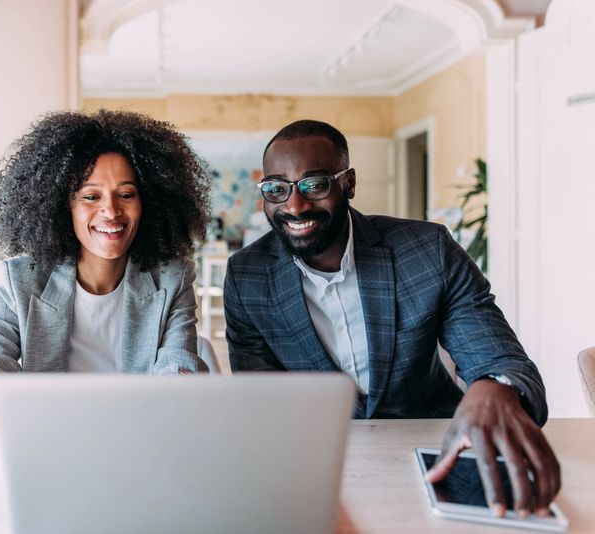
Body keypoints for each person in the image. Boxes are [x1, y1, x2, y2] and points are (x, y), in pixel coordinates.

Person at [223, 120, 561, 518]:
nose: (294, 206)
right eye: (277, 188)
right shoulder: (247, 276)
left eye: (315, 185)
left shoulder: (428, 250)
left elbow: (502, 360)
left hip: (437, 450)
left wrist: (495, 388)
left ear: (348, 183)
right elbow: (263, 406)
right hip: (318, 463)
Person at [0, 110, 212, 439]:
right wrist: (57, 433)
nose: (111, 211)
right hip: (53, 453)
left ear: (148, 202)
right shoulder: (23, 282)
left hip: (138, 451)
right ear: (62, 206)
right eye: (90, 196)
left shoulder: (172, 280)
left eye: (126, 194)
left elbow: (179, 380)